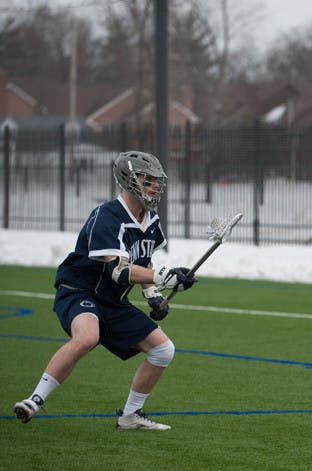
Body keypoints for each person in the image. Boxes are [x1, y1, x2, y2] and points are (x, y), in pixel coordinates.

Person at [13, 150, 197, 430]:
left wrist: (153, 295)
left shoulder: (151, 220)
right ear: (128, 180)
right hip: (79, 290)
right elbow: (120, 270)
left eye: (157, 181)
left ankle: (130, 416)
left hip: (112, 301)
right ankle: (35, 399)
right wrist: (164, 277)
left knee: (163, 350)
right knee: (88, 337)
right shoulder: (107, 215)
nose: (155, 187)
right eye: (148, 181)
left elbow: (143, 260)